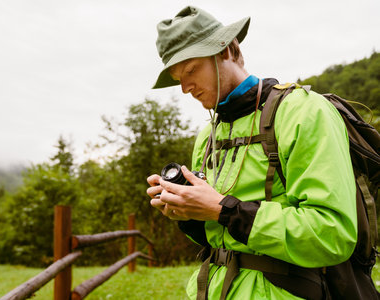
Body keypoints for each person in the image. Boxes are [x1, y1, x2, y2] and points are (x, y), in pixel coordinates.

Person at [146, 6, 358, 300]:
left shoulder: (303, 112)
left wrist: (223, 209)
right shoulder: (208, 137)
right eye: (177, 77)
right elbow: (215, 237)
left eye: (191, 69)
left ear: (226, 51)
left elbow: (331, 234)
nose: (184, 88)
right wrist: (187, 212)